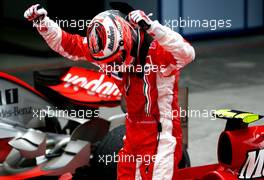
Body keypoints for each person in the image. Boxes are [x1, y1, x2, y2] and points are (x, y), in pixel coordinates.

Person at [24, 4, 195, 180]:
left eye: (115, 60)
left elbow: (187, 53)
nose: (111, 66)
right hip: (132, 132)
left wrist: (155, 28)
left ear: (126, 40)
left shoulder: (157, 53)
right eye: (107, 61)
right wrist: (43, 23)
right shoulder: (103, 51)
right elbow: (68, 44)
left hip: (161, 138)